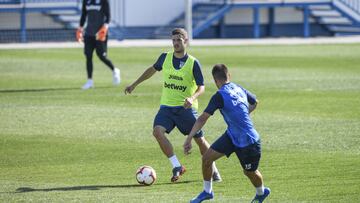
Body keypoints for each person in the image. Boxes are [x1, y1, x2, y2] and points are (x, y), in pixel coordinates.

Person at [124, 28, 221, 183]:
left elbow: (202, 87)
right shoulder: (165, 57)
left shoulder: (193, 63)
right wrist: (135, 84)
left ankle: (214, 169)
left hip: (185, 109)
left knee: (200, 140)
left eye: (179, 40)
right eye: (173, 40)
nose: (175, 43)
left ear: (186, 41)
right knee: (157, 132)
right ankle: (177, 166)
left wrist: (192, 97)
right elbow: (152, 70)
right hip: (167, 108)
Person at [184, 64, 270, 203]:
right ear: (228, 76)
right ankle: (207, 192)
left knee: (249, 172)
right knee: (207, 159)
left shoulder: (219, 95)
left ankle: (261, 193)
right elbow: (255, 102)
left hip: (248, 141)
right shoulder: (238, 87)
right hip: (231, 136)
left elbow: (202, 118)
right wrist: (243, 116)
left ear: (215, 80)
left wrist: (188, 139)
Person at [76, 0, 120, 90]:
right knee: (88, 56)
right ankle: (89, 81)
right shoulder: (86, 1)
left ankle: (115, 70)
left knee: (102, 56)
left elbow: (108, 16)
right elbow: (84, 14)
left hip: (100, 33)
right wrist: (80, 28)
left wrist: (105, 27)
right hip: (88, 33)